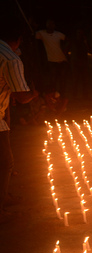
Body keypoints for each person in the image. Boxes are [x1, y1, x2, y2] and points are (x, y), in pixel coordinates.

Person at [0, 19, 39, 219]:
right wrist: (34, 94)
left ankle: (4, 196)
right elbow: (21, 96)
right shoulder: (11, 58)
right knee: (5, 162)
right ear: (19, 39)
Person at [36, 19, 68, 109]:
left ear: (54, 25)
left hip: (62, 59)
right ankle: (53, 98)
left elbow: (68, 39)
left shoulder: (58, 34)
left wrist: (65, 50)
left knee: (62, 80)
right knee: (53, 80)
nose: (50, 25)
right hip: (51, 60)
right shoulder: (42, 33)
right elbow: (33, 35)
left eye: (52, 24)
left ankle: (61, 98)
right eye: (48, 24)